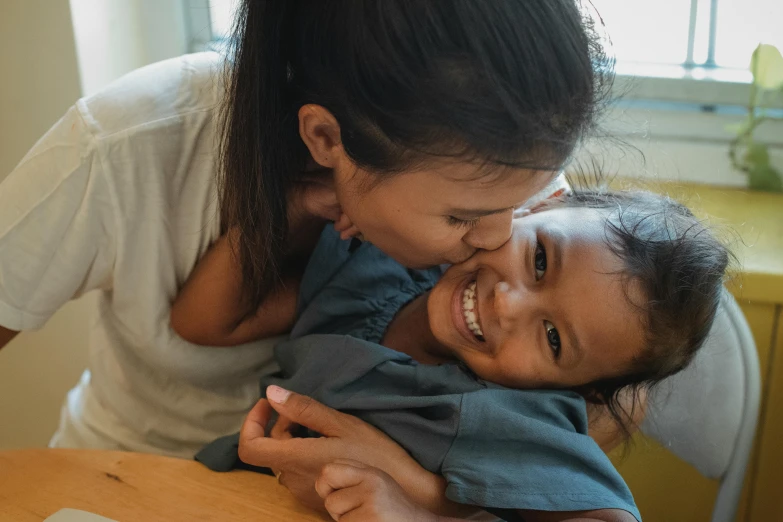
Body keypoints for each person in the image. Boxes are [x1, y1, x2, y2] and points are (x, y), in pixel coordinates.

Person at [0, 0, 609, 512]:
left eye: (526, 201)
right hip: (127, 472)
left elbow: (597, 396)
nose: (499, 239)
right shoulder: (127, 144)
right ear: (325, 139)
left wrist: (421, 491)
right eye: (461, 218)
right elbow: (203, 324)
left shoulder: (516, 178)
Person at [194, 189, 729, 522]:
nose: (507, 302)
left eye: (554, 339)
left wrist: (422, 514)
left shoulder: (512, 417)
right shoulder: (382, 268)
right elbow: (205, 322)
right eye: (540, 259)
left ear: (578, 389)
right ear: (538, 204)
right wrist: (300, 204)